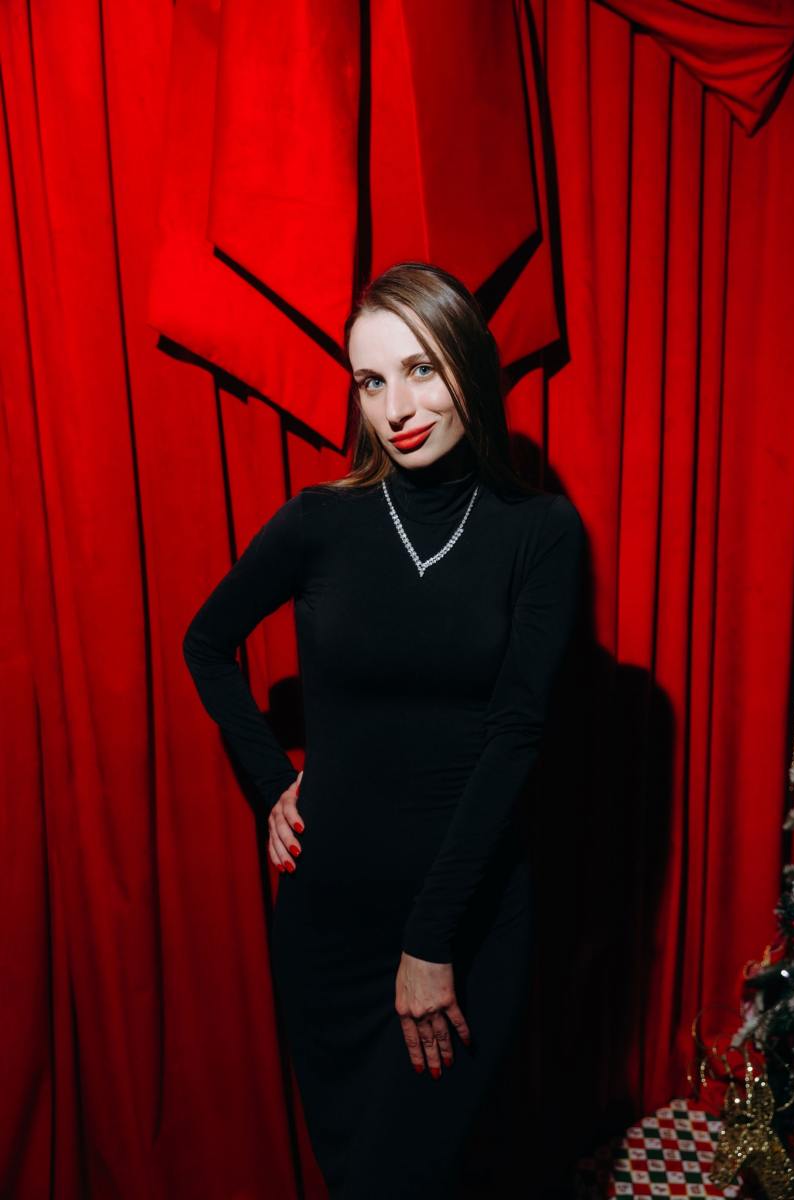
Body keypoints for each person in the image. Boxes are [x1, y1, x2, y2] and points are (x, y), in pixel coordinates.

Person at [182, 261, 586, 1198]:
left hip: (465, 925)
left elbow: (515, 735)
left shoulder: (541, 532)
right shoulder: (321, 522)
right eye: (371, 381)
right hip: (328, 931)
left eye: (421, 370)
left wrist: (431, 942)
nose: (397, 408)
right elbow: (206, 643)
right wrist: (268, 783)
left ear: (467, 365)